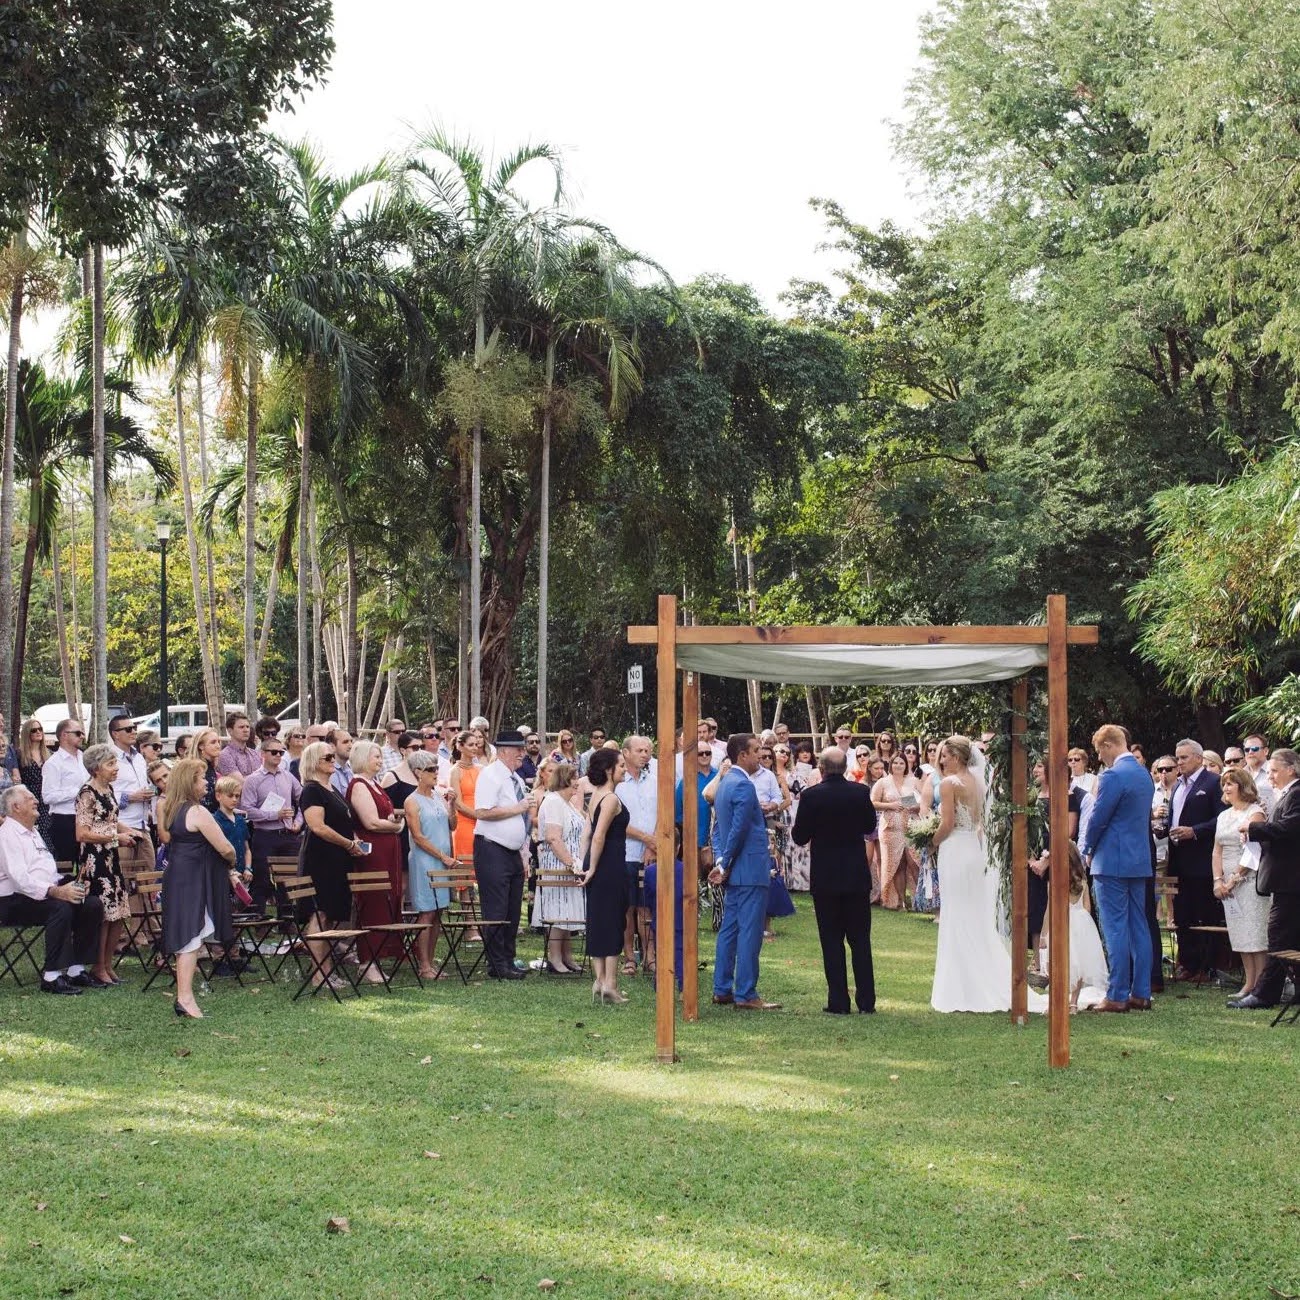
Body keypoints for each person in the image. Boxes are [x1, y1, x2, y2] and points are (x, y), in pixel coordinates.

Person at [931, 735, 1046, 1014]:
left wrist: (930, 841)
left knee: (957, 911)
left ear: (956, 757)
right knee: (972, 912)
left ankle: (962, 986)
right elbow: (980, 821)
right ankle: (976, 977)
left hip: (955, 848)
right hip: (973, 848)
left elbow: (947, 825)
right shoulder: (979, 782)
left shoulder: (949, 784)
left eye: (945, 755)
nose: (941, 760)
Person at [790, 747, 878, 1014]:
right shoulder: (860, 793)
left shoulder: (811, 796)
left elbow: (799, 836)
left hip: (826, 876)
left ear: (822, 768)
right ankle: (866, 1001)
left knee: (831, 940)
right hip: (855, 874)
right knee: (860, 939)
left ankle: (838, 1001)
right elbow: (867, 826)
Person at [1076, 725, 1156, 1012]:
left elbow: (1098, 818)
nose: (1100, 757)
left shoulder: (1112, 775)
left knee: (1114, 927)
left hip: (1111, 860)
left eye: (1100, 751)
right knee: (1139, 925)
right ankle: (1141, 992)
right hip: (1138, 860)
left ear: (1110, 745)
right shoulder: (1144, 775)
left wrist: (1086, 848)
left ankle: (1118, 994)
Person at [0, 784, 104, 994]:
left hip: (38, 894)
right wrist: (55, 891)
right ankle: (51, 976)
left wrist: (69, 882)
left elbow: (44, 870)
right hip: (11, 900)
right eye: (30, 798)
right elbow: (19, 878)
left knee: (91, 904)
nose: (36, 800)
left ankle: (76, 969)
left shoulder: (33, 831)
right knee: (60, 908)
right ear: (16, 807)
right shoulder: (7, 834)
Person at [157, 759, 237, 1018]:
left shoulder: (171, 808)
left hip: (179, 876)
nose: (206, 782)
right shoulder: (198, 812)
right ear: (189, 782)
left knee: (189, 936)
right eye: (202, 778)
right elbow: (225, 847)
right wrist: (233, 860)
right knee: (190, 938)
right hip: (192, 880)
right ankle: (185, 998)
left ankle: (185, 996)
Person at [709, 733, 781, 1011]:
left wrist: (722, 861)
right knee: (750, 932)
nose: (760, 757)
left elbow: (719, 830)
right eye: (756, 751)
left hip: (737, 869)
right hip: (749, 869)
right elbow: (738, 829)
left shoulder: (726, 783)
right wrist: (725, 862)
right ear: (742, 755)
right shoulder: (744, 785)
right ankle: (746, 993)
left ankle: (722, 988)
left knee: (730, 929)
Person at [1230, 748, 1300, 1009]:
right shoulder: (1288, 794)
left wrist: (1253, 827)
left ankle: (1264, 994)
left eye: (1273, 770)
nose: (1269, 776)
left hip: (1291, 881)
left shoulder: (1297, 793)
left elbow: (1290, 828)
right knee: (1292, 937)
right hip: (1287, 880)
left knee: (1279, 937)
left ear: (1290, 769)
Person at [75, 743, 145, 987]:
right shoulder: (87, 793)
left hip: (111, 858)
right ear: (96, 769)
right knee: (104, 914)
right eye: (111, 764)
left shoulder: (109, 789)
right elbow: (82, 833)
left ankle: (107, 964)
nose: (116, 769)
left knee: (118, 912)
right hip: (95, 862)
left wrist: (129, 830)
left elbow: (113, 820)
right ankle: (97, 966)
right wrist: (115, 837)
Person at [299, 740, 366, 989]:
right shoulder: (312, 790)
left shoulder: (333, 789)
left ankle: (327, 970)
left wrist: (354, 840)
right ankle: (319, 973)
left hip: (339, 859)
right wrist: (347, 843)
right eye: (327, 758)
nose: (332, 761)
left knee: (328, 917)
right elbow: (318, 827)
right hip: (321, 860)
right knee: (319, 913)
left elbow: (341, 822)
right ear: (314, 762)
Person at [473, 729, 536, 980]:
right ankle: (496, 963)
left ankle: (508, 959)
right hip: (492, 848)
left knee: (512, 908)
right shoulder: (490, 775)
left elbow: (522, 817)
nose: (522, 753)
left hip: (512, 851)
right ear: (502, 752)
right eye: (517, 749)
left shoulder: (516, 779)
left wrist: (523, 853)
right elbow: (482, 812)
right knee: (496, 908)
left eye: (522, 749)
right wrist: (517, 807)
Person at [347, 739, 405, 984]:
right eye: (375, 757)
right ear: (361, 758)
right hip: (374, 853)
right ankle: (367, 960)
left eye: (381, 757)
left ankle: (381, 955)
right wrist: (396, 826)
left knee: (389, 898)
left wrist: (394, 820)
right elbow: (370, 821)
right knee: (373, 902)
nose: (380, 761)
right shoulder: (359, 784)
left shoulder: (375, 785)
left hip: (388, 849)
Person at [1166, 738, 1224, 980]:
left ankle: (1206, 965)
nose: (1179, 762)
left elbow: (1221, 818)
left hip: (1202, 859)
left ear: (1199, 758)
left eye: (1184, 757)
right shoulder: (1178, 786)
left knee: (1204, 911)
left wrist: (1195, 831)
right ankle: (1188, 963)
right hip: (1179, 857)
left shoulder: (1213, 783)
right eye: (1177, 758)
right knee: (1182, 913)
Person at [1213, 767, 1269, 1000]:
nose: (1226, 787)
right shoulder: (1223, 816)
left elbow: (1253, 851)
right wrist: (1218, 881)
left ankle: (1262, 985)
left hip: (1249, 878)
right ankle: (1248, 982)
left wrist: (1234, 879)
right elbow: (1216, 851)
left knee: (1255, 931)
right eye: (1224, 783)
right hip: (1226, 879)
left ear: (1242, 786)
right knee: (1239, 934)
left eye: (1230, 783)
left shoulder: (1255, 813)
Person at [403, 750, 456, 980]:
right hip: (425, 861)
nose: (436, 773)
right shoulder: (412, 801)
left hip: (443, 860)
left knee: (438, 912)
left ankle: (431, 962)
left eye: (436, 769)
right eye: (431, 770)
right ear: (418, 773)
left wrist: (452, 804)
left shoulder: (437, 796)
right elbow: (418, 836)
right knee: (427, 912)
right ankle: (423, 966)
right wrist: (442, 857)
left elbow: (452, 825)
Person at [582, 747, 630, 1002]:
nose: (624, 769)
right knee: (611, 921)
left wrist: (584, 864)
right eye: (621, 765)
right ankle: (609, 983)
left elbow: (587, 834)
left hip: (598, 864)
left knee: (598, 921)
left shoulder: (596, 795)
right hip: (608, 865)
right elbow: (598, 835)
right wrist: (591, 867)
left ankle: (600, 981)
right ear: (609, 770)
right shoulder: (610, 798)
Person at [1038, 842, 1109, 1012]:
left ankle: (1054, 1002)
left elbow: (1050, 908)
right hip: (1082, 922)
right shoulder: (1082, 879)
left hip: (1062, 922)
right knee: (1080, 963)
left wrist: (1043, 933)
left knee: (1058, 961)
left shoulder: (1054, 880)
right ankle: (1073, 1003)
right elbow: (1087, 907)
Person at [534, 761, 587, 974]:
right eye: (574, 779)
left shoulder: (570, 804)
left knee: (569, 911)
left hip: (572, 865)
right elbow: (554, 838)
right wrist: (571, 864)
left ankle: (567, 956)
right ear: (565, 779)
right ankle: (554, 958)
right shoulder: (553, 802)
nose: (578, 783)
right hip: (557, 864)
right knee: (558, 910)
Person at [240, 737, 302, 916]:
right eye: (274, 752)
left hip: (288, 834)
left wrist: (298, 821)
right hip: (264, 834)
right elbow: (247, 810)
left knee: (289, 879)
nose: (278, 755)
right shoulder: (253, 780)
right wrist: (274, 815)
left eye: (281, 752)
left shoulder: (288, 776)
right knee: (262, 878)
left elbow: (303, 799)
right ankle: (258, 917)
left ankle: (287, 920)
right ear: (263, 754)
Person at [616, 735, 657, 977]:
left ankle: (649, 957)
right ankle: (629, 957)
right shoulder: (617, 784)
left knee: (646, 908)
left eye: (648, 750)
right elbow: (615, 820)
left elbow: (665, 813)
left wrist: (653, 845)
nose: (645, 754)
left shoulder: (656, 781)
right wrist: (645, 838)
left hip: (651, 855)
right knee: (627, 908)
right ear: (626, 753)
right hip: (625, 853)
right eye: (640, 750)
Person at [872, 752, 921, 910]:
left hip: (912, 827)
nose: (898, 766)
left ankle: (919, 900)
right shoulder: (883, 782)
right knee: (897, 864)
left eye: (901, 763)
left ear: (906, 765)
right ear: (890, 765)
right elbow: (873, 802)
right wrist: (890, 805)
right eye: (895, 763)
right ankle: (899, 901)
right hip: (890, 829)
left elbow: (923, 801)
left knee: (914, 863)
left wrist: (911, 804)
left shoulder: (914, 781)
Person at [109, 716, 154, 878]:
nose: (133, 732)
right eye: (128, 729)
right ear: (115, 734)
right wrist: (130, 797)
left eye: (134, 728)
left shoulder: (139, 758)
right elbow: (104, 795)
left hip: (143, 825)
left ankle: (149, 905)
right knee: (126, 879)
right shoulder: (109, 759)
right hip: (123, 826)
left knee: (149, 877)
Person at [44, 718, 88, 863]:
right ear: (64, 735)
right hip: (65, 819)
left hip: (86, 818)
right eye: (77, 733)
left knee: (87, 862)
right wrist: (78, 791)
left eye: (82, 733)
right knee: (67, 865)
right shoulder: (53, 763)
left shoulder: (85, 758)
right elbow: (48, 796)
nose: (82, 736)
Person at [675, 737, 716, 886]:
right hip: (694, 835)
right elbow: (678, 810)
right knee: (695, 875)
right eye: (700, 754)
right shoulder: (687, 779)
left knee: (714, 871)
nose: (705, 756)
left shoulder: (720, 776)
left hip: (715, 834)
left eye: (708, 753)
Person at [9, 717, 52, 850]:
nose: (38, 732)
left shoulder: (49, 754)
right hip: (29, 797)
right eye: (34, 730)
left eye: (40, 729)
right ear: (27, 733)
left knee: (47, 831)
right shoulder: (19, 754)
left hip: (46, 797)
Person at [212, 775, 254, 895]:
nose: (235, 799)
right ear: (218, 796)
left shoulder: (240, 820)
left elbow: (247, 849)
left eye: (237, 796)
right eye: (230, 796)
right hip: (223, 874)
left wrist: (248, 868)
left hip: (242, 874)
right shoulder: (214, 821)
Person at [215, 712, 260, 778]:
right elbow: (239, 782)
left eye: (247, 727)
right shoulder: (225, 755)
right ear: (230, 731)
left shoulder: (254, 753)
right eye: (241, 727)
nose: (246, 730)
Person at [190, 727, 222, 810]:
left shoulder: (211, 767)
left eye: (219, 742)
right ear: (201, 746)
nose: (218, 746)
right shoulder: (195, 768)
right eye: (213, 742)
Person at [1242, 734, 1276, 812]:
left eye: (1255, 749)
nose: (1250, 752)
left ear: (1266, 751)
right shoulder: (1240, 775)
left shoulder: (1276, 771)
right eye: (1247, 750)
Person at [328, 728, 355, 799]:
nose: (351, 746)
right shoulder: (329, 772)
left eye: (351, 741)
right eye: (345, 742)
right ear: (332, 747)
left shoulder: (352, 768)